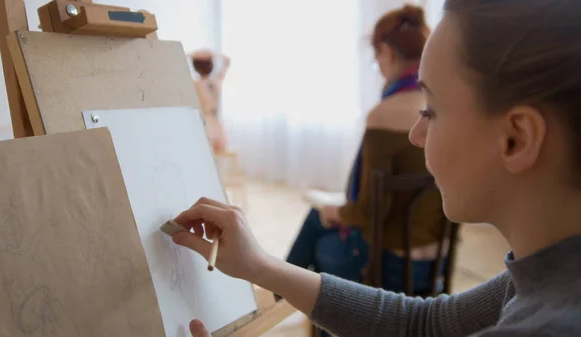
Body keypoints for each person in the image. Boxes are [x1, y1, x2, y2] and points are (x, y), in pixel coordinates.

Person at [172, 0, 581, 335]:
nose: (417, 134)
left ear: (517, 139)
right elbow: (427, 325)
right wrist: (259, 265)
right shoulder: (543, 272)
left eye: (432, 111)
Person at [285, 4, 446, 295]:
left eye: (376, 59)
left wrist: (334, 211)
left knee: (319, 230)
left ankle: (290, 295)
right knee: (320, 220)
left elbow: (370, 211)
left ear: (386, 51)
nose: (379, 68)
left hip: (389, 265)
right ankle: (285, 289)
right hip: (436, 262)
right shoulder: (442, 103)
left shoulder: (385, 113)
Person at [191, 50, 231, 153]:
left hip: (204, 122)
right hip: (214, 123)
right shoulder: (215, 81)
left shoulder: (195, 84)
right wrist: (211, 54)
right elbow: (227, 61)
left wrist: (194, 55)